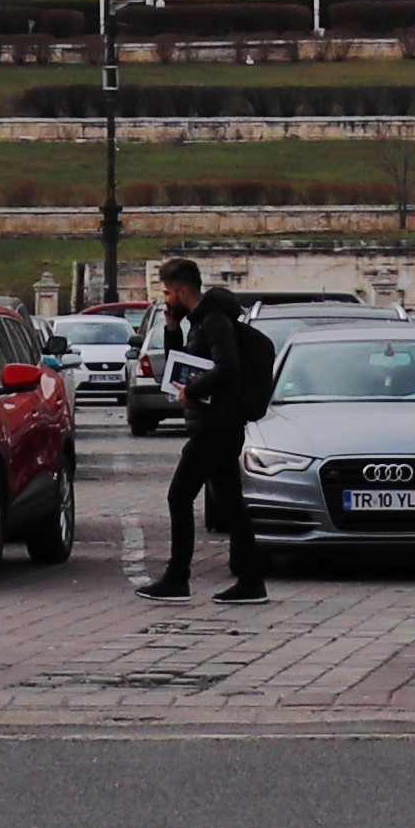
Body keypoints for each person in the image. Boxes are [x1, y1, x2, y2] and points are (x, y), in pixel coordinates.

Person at [140, 253, 273, 602]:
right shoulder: (200, 321)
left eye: (168, 293)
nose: (166, 299)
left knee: (179, 496)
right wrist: (172, 329)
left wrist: (193, 391)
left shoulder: (214, 320)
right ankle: (251, 581)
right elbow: (181, 364)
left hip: (217, 425)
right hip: (218, 425)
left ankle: (177, 578)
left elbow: (227, 368)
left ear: (183, 290)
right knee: (231, 503)